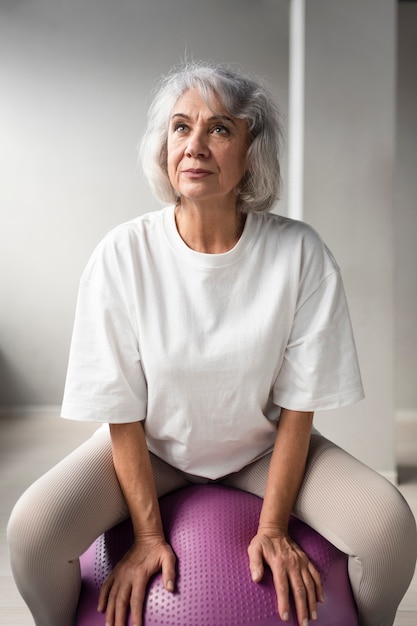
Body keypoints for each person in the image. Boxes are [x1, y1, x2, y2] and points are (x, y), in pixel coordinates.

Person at [7, 61, 417, 626]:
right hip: (153, 447)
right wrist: (148, 534)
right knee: (30, 532)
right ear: (164, 146)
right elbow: (121, 413)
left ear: (252, 152)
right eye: (181, 127)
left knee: (391, 529)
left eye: (219, 128)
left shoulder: (300, 255)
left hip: (262, 448)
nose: (195, 145)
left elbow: (299, 409)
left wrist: (273, 528)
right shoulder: (122, 255)